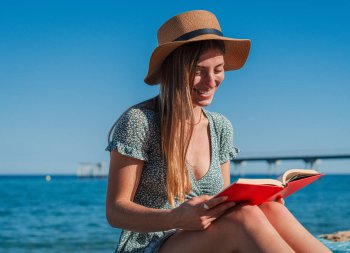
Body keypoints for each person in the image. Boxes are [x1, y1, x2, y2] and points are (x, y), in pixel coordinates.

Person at [106, 10, 331, 253]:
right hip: (150, 244)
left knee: (270, 209)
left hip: (205, 238)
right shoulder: (140, 122)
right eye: (199, 70)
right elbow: (116, 211)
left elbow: (223, 198)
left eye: (218, 69)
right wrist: (177, 218)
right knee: (244, 218)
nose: (211, 81)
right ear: (174, 70)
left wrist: (261, 197)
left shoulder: (220, 126)